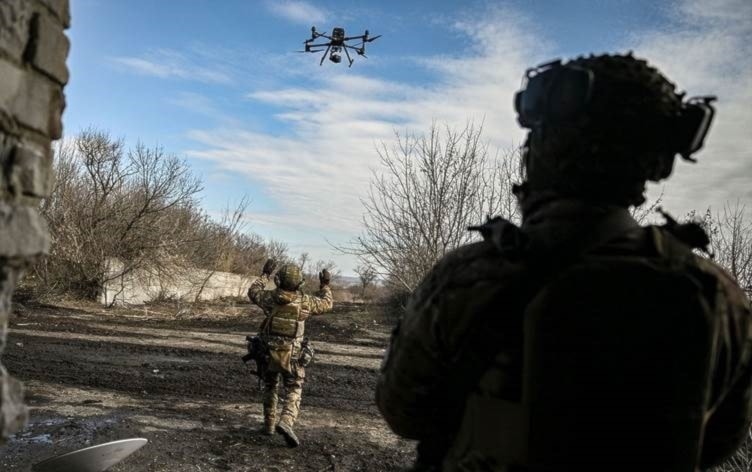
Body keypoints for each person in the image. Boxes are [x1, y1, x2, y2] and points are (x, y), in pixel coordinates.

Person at [376, 53, 752, 471]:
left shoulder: (470, 275)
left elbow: (403, 412)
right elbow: (718, 442)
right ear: (655, 161)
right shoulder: (716, 295)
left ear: (542, 148)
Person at [248, 259, 334, 447]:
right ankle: (286, 421)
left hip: (269, 352)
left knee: (270, 385)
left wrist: (264, 275)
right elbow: (327, 303)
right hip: (294, 355)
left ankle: (269, 425)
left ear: (278, 281)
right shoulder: (306, 301)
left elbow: (253, 291)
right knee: (294, 388)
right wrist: (325, 285)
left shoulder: (269, 298)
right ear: (300, 283)